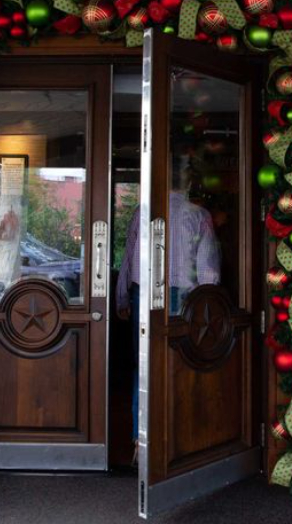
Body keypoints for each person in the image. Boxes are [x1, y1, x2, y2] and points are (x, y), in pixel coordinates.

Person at [115, 163, 221, 460]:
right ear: (185, 184)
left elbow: (129, 257)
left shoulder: (142, 212)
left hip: (143, 293)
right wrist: (208, 306)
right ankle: (178, 437)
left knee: (144, 365)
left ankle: (139, 442)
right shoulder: (198, 215)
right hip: (185, 297)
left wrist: (122, 297)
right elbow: (208, 268)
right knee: (182, 362)